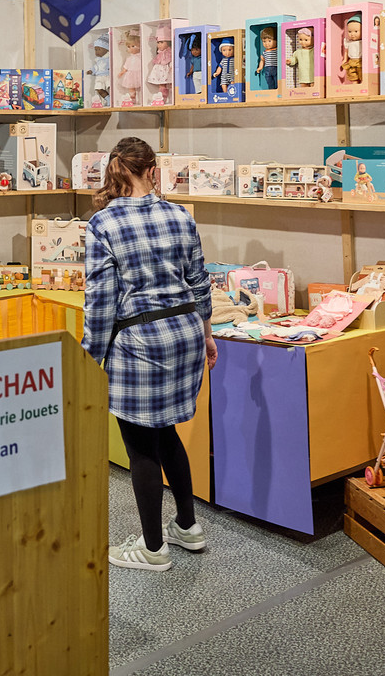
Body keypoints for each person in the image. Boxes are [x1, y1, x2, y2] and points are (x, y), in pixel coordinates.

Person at [81, 137, 217, 572]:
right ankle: (188, 526)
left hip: (139, 341)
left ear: (114, 170)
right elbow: (199, 281)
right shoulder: (180, 215)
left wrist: (88, 359)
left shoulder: (103, 223)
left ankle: (153, 549)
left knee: (140, 445)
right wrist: (207, 333)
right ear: (153, 171)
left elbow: (100, 302)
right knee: (166, 432)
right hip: (185, 334)